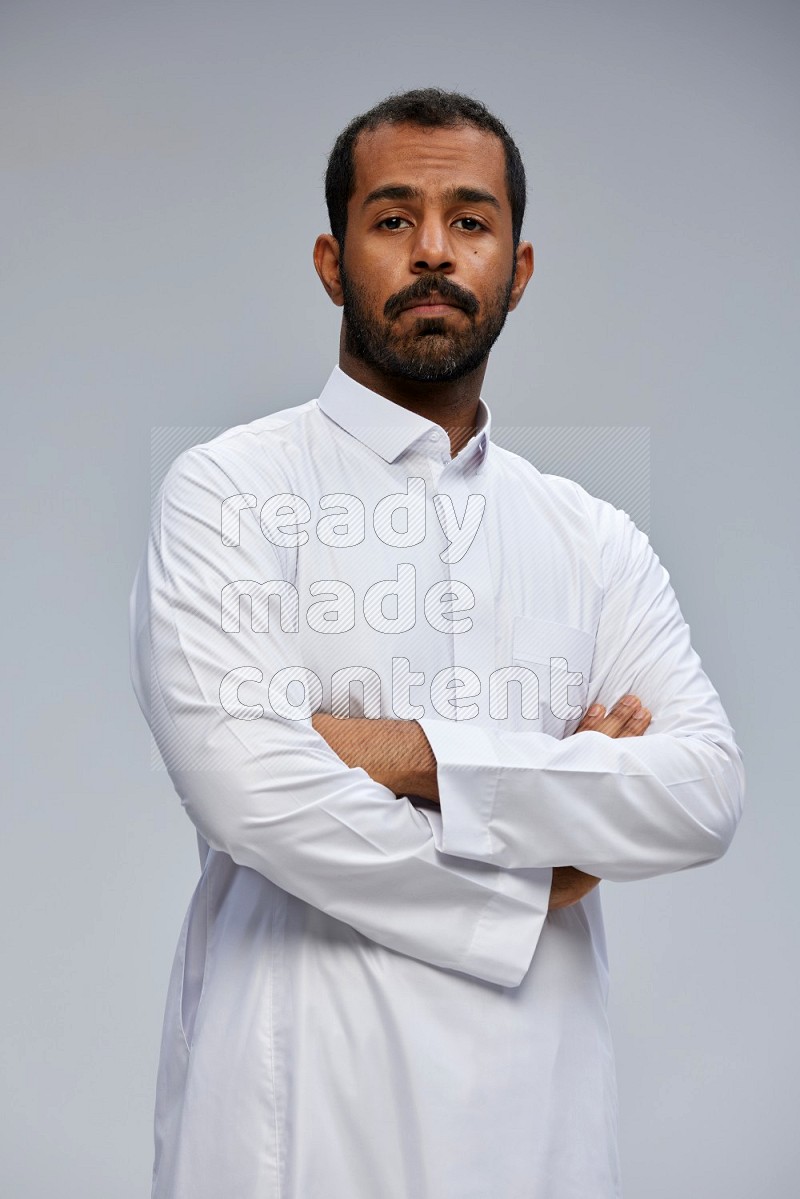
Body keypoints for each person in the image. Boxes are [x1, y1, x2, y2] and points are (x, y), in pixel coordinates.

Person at [129, 87, 744, 1199]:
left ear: (516, 269)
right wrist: (545, 843)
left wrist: (391, 752)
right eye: (390, 217)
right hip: (294, 1109)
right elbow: (249, 788)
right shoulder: (228, 489)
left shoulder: (588, 535)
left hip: (537, 1118)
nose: (430, 251)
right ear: (330, 260)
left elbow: (700, 788)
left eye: (468, 220)